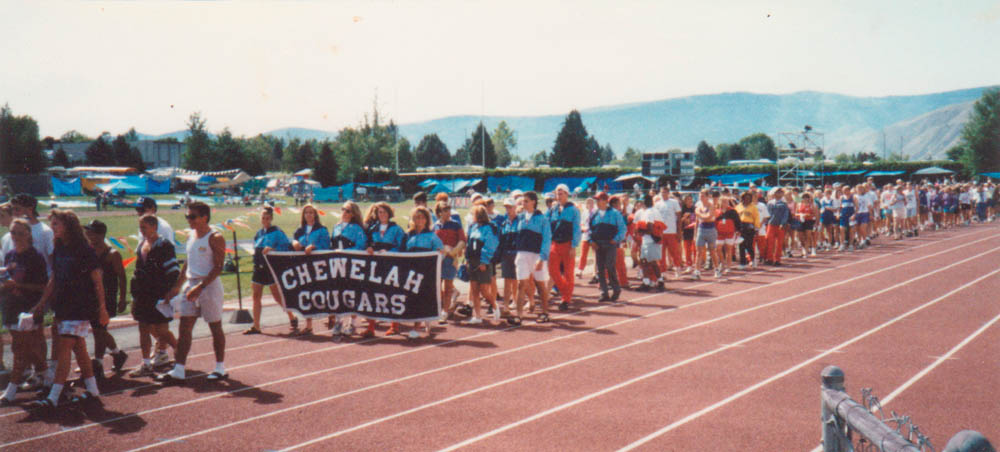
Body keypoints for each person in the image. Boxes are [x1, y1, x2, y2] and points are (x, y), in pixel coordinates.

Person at [30, 210, 108, 409]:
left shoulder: (84, 249)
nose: (53, 228)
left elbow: (98, 281)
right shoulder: (59, 248)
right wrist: (41, 303)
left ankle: (54, 396)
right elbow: (54, 278)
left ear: (68, 226)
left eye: (56, 224)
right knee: (79, 349)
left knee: (64, 348)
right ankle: (93, 390)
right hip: (63, 305)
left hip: (80, 306)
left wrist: (103, 309)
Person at [155, 201, 228, 384]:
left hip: (209, 286)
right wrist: (178, 286)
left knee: (215, 327)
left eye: (192, 216)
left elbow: (219, 267)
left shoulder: (215, 237)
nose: (189, 220)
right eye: (187, 216)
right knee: (184, 327)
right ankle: (179, 370)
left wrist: (201, 286)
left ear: (205, 217)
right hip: (191, 284)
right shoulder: (190, 235)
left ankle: (220, 367)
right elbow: (187, 262)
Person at [1, 219, 49, 405]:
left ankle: (11, 390)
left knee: (21, 349)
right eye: (13, 233)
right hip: (10, 306)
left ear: (29, 234)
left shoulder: (35, 257)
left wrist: (18, 285)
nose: (16, 237)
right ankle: (48, 377)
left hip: (28, 309)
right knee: (27, 348)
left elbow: (42, 286)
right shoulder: (10, 255)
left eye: (20, 233)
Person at [128, 214, 180, 378]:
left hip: (158, 292)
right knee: (143, 327)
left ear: (154, 227)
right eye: (140, 227)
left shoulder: (164, 245)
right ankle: (146, 364)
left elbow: (173, 271)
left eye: (145, 227)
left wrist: (169, 292)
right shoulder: (141, 244)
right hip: (142, 293)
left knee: (161, 330)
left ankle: (179, 351)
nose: (142, 231)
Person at [83, 220, 129, 376]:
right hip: (90, 296)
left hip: (107, 297)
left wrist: (122, 299)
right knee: (99, 331)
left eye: (91, 232)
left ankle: (98, 363)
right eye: (87, 232)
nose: (88, 235)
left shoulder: (112, 254)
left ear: (101, 234)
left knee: (99, 330)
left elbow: (122, 277)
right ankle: (117, 354)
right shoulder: (87, 251)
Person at [135, 196, 175, 367]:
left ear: (152, 209)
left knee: (160, 325)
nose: (138, 212)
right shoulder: (143, 228)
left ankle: (165, 350)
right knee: (147, 324)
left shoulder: (162, 228)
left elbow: (167, 256)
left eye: (141, 209)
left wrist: (169, 289)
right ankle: (160, 350)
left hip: (159, 285)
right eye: (137, 210)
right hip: (144, 287)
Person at [246, 207, 292, 336]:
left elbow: (286, 247)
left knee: (277, 297)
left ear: (271, 218)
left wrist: (273, 248)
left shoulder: (277, 232)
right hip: (258, 267)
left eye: (267, 218)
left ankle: (291, 316)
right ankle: (256, 326)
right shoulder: (258, 234)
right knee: (255, 296)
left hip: (271, 267)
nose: (265, 220)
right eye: (263, 218)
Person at [400, 207, 445, 338]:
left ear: (426, 219)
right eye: (416, 217)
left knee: (421, 298)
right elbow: (401, 253)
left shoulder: (432, 236)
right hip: (410, 273)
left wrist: (438, 254)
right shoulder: (407, 235)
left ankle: (416, 326)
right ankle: (424, 320)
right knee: (412, 299)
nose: (419, 220)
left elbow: (440, 254)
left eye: (422, 217)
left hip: (425, 274)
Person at [362, 202, 405, 337]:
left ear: (389, 213)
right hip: (374, 265)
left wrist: (389, 251)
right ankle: (370, 327)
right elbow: (366, 243)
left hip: (391, 265)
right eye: (380, 212)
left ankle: (394, 325)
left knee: (391, 294)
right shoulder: (372, 228)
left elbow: (401, 246)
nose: (382, 215)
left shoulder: (397, 229)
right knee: (372, 294)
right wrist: (368, 248)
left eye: (385, 212)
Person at [511, 191, 552, 325]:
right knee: (521, 284)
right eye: (522, 201)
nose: (524, 203)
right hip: (522, 254)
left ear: (534, 202)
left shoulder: (542, 219)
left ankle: (545, 312)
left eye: (526, 201)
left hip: (536, 255)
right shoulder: (520, 218)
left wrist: (542, 258)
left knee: (540, 285)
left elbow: (546, 240)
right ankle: (518, 315)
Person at [290, 204, 331, 335]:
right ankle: (308, 325)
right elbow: (293, 242)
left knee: (323, 292)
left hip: (318, 265)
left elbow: (327, 246)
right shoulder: (299, 230)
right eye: (306, 213)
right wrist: (294, 243)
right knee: (306, 294)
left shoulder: (322, 229)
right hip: (303, 266)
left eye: (311, 213)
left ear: (315, 215)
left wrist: (314, 247)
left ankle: (332, 316)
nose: (309, 215)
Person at [329, 201, 367, 337]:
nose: (344, 213)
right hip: (337, 266)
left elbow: (361, 246)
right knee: (338, 293)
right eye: (343, 209)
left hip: (351, 265)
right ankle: (339, 321)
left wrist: (345, 252)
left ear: (353, 214)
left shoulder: (357, 229)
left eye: (348, 211)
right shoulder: (336, 227)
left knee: (352, 293)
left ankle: (351, 322)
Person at [547, 184, 580, 311]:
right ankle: (566, 290)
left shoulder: (574, 210)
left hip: (568, 245)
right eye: (557, 194)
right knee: (552, 271)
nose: (558, 196)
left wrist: (573, 246)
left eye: (561, 194)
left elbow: (577, 229)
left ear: (567, 194)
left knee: (568, 273)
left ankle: (566, 299)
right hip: (554, 244)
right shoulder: (553, 209)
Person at [465, 205, 501, 323]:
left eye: (473, 214)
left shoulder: (489, 228)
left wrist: (484, 261)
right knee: (474, 289)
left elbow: (490, 245)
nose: (472, 217)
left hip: (483, 262)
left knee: (484, 290)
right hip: (472, 261)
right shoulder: (473, 227)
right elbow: (469, 244)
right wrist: (466, 259)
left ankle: (495, 306)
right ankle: (477, 316)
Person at [433, 201, 466, 323]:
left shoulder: (455, 224)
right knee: (436, 286)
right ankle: (440, 308)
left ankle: (445, 312)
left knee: (447, 287)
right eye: (444, 210)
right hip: (437, 260)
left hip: (450, 260)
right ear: (439, 212)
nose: (448, 213)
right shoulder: (435, 226)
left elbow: (462, 240)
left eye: (449, 210)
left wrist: (453, 252)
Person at [589, 192, 626, 301]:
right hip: (598, 244)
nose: (596, 202)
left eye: (598, 199)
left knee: (610, 266)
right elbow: (589, 229)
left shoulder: (615, 213)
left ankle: (616, 289)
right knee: (600, 269)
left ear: (605, 201)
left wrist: (615, 240)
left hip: (610, 244)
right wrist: (591, 241)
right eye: (596, 200)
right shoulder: (594, 214)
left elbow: (622, 229)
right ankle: (603, 292)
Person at [635, 194, 666, 291]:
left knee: (649, 262)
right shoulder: (654, 211)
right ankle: (650, 282)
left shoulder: (649, 212)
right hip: (651, 240)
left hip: (650, 241)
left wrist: (640, 232)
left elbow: (650, 228)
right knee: (647, 262)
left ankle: (656, 282)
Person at [656, 186, 683, 279]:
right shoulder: (657, 204)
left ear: (668, 193)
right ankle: (662, 271)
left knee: (674, 252)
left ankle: (677, 268)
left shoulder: (674, 202)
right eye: (661, 192)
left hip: (671, 231)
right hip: (661, 232)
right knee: (661, 253)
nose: (663, 194)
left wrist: (679, 231)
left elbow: (679, 217)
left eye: (665, 192)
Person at [693, 189, 719, 279]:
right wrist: (695, 233)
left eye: (703, 195)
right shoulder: (698, 206)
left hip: (711, 229)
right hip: (701, 228)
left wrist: (700, 215)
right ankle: (697, 272)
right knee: (699, 252)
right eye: (700, 195)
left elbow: (709, 217)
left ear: (707, 196)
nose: (701, 196)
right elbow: (697, 220)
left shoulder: (711, 205)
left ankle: (717, 269)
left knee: (712, 251)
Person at [765, 188, 790, 265]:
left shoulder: (784, 204)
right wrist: (767, 223)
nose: (778, 194)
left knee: (779, 243)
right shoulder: (770, 203)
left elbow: (785, 215)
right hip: (771, 224)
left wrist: (783, 223)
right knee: (770, 242)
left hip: (780, 225)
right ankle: (769, 258)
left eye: (780, 193)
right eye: (777, 192)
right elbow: (768, 214)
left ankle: (777, 259)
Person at [736, 191, 760, 269]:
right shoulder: (738, 207)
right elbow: (736, 217)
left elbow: (756, 217)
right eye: (745, 198)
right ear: (742, 198)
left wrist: (757, 228)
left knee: (749, 245)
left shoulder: (753, 207)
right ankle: (742, 263)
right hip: (741, 226)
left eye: (749, 198)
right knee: (741, 245)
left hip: (749, 227)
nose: (747, 199)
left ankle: (752, 260)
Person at [576, 197, 596, 279]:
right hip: (586, 236)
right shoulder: (584, 213)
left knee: (596, 255)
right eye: (588, 203)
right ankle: (580, 270)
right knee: (583, 254)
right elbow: (581, 223)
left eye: (591, 203)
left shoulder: (596, 213)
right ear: (586, 205)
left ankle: (595, 272)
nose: (590, 204)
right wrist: (584, 228)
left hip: (594, 236)